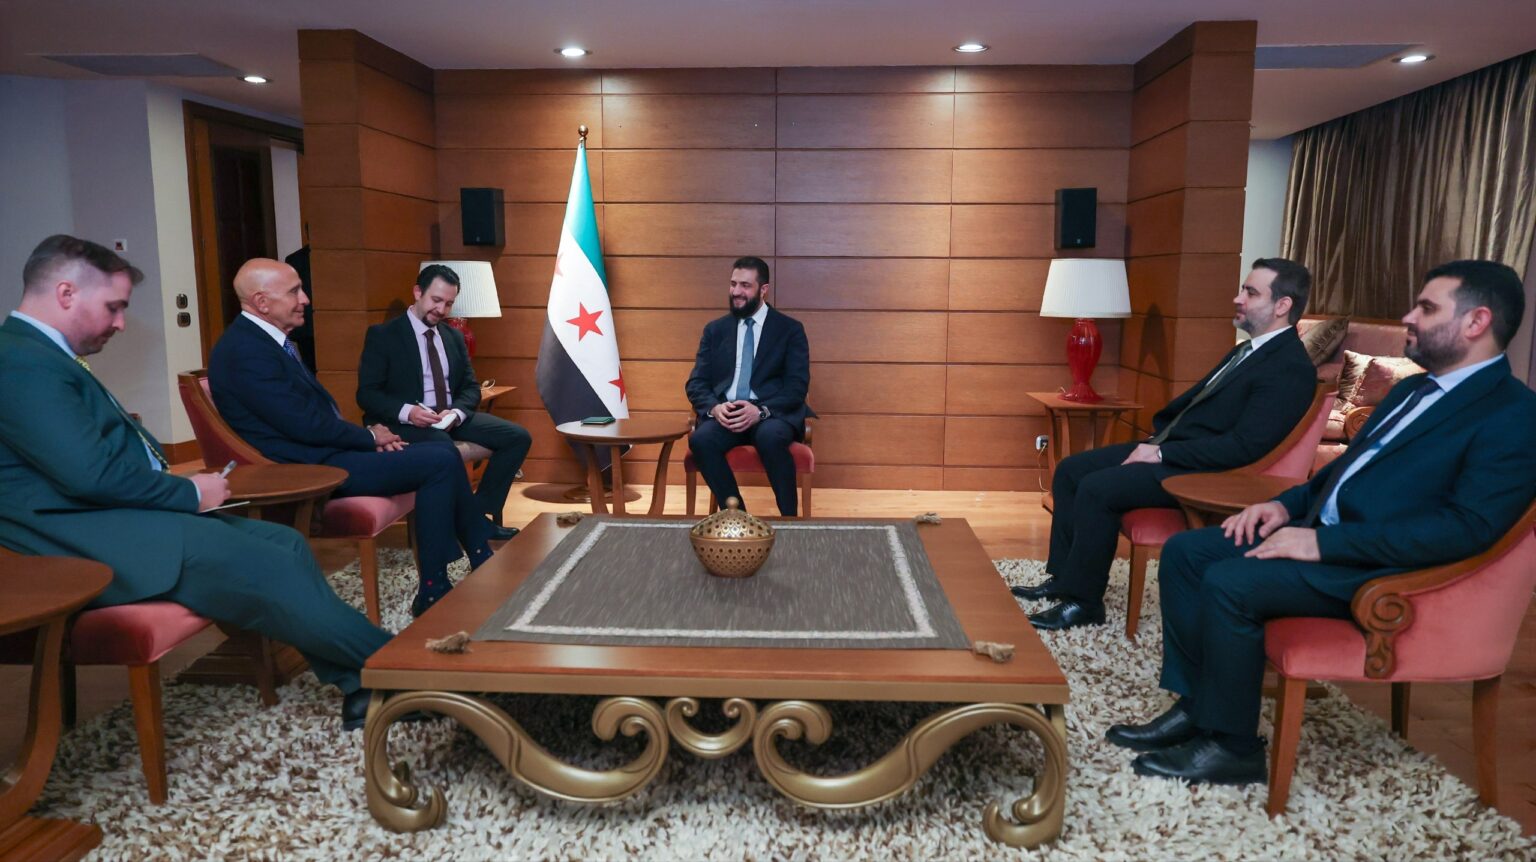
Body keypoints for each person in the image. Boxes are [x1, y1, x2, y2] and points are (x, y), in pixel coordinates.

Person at [1108, 260, 1536, 786]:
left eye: (1426, 308)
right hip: (1330, 537)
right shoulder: (1412, 391)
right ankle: (1196, 707)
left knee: (1230, 581)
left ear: (1476, 322)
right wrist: (1284, 507)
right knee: (1186, 553)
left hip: (1384, 570)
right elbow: (1344, 471)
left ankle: (1232, 748)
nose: (1408, 317)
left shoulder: (1513, 415)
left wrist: (1322, 546)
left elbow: (1465, 530)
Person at [0, 235, 391, 730]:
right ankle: (409, 673)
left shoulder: (36, 354)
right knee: (269, 564)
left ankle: (361, 686)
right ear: (65, 293)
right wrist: (189, 492)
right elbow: (90, 475)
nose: (121, 323)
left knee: (286, 542)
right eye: (114, 307)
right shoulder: (21, 362)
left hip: (111, 517)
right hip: (78, 539)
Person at [1019, 258, 1318, 631]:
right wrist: (1157, 443)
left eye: (1251, 292)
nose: (1237, 298)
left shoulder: (1289, 367)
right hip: (1178, 449)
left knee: (1097, 488)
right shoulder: (1247, 351)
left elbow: (1244, 448)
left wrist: (1161, 452)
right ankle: (1063, 579)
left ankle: (1083, 602)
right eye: (1243, 289)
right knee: (1070, 470)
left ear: (1283, 305)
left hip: (1207, 472)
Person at [208, 258, 513, 619]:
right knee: (439, 459)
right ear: (261, 302)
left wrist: (369, 438)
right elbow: (304, 424)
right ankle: (447, 578)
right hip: (304, 469)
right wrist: (369, 437)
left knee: (441, 455)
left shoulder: (266, 342)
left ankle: (463, 566)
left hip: (323, 452)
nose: (305, 299)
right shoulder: (246, 351)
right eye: (294, 291)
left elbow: (310, 418)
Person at [356, 264, 532, 528]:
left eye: (449, 304)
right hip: (406, 423)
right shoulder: (384, 335)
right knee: (443, 446)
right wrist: (409, 412)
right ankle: (458, 523)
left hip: (449, 417)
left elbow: (470, 388)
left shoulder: (453, 337)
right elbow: (367, 394)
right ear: (418, 292)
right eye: (436, 300)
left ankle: (479, 516)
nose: (441, 310)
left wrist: (456, 413)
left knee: (517, 437)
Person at [685, 256, 814, 516]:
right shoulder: (715, 330)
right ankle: (738, 518)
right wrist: (714, 408)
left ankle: (790, 520)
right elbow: (696, 382)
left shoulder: (789, 330)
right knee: (701, 439)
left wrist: (761, 411)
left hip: (769, 413)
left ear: (763, 289)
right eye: (733, 284)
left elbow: (796, 387)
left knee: (770, 437)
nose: (736, 292)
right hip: (728, 412)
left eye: (745, 285)